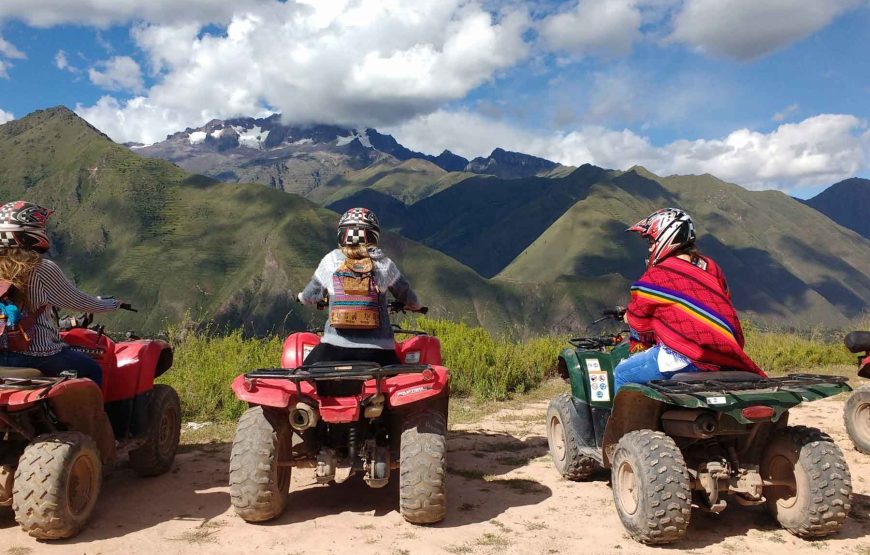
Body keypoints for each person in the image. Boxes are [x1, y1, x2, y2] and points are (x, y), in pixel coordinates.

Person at [613, 208, 764, 393]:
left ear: (668, 237)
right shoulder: (710, 266)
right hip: (725, 354)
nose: (650, 248)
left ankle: (626, 422)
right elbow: (722, 303)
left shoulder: (659, 274)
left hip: (684, 356)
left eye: (651, 241)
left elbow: (639, 317)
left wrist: (630, 320)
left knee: (621, 373)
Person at [0, 201, 120, 386]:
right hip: (37, 354)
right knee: (92, 369)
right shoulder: (40, 268)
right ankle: (91, 415)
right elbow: (79, 302)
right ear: (29, 231)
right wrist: (112, 304)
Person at [297, 207, 422, 368]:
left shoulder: (331, 261)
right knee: (398, 379)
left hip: (335, 348)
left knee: (304, 373)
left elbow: (311, 294)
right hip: (379, 351)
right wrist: (416, 306)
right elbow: (405, 294)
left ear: (342, 234)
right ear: (373, 235)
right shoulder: (384, 263)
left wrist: (301, 297)